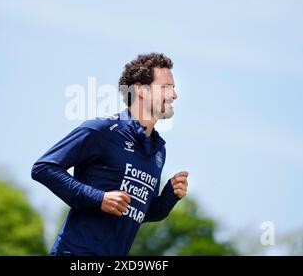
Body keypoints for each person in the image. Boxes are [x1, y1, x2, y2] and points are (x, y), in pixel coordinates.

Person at [31, 53, 189, 256]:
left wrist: (169, 196)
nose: (174, 95)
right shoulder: (102, 129)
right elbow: (44, 168)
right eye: (166, 87)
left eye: (173, 88)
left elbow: (140, 211)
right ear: (140, 89)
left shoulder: (158, 149)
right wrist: (100, 198)